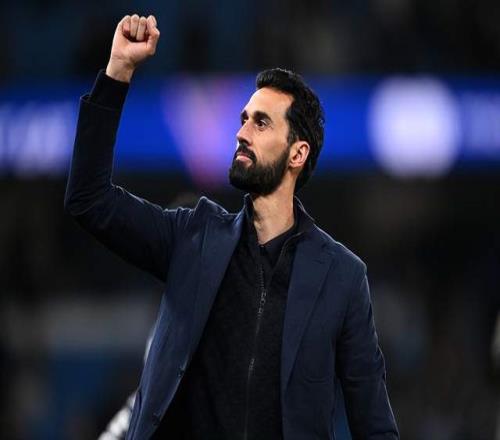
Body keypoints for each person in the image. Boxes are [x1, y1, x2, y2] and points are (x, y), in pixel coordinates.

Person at [65, 13, 399, 440]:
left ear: (297, 154)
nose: (242, 133)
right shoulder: (193, 237)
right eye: (243, 119)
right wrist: (118, 71)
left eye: (261, 123)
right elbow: (89, 199)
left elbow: (374, 423)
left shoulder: (342, 276)